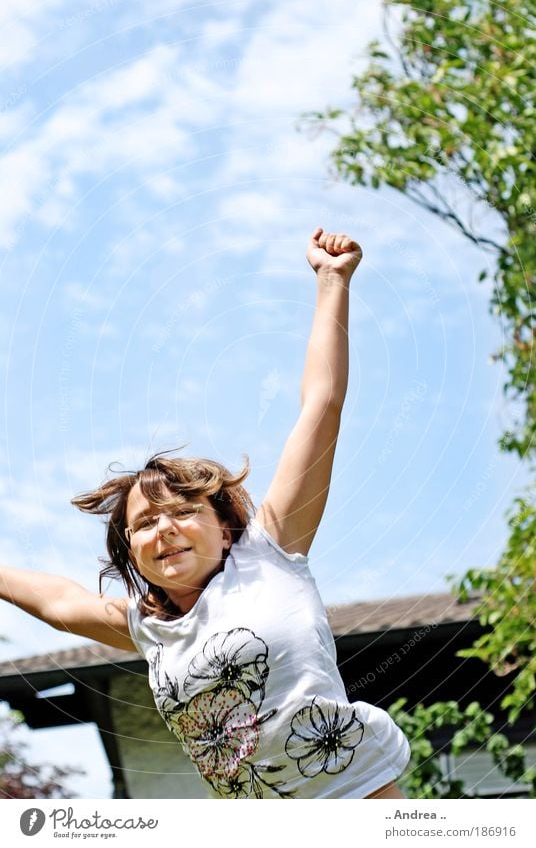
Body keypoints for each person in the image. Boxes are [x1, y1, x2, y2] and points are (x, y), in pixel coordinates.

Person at [0, 228, 410, 799]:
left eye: (183, 511)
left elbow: (322, 403)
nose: (163, 528)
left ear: (224, 526)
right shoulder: (150, 630)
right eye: (143, 523)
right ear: (132, 553)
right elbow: (60, 602)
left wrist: (331, 282)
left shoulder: (270, 552)